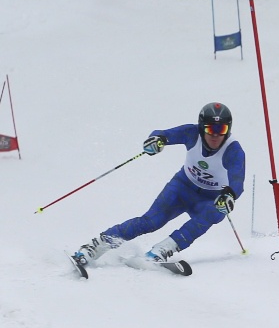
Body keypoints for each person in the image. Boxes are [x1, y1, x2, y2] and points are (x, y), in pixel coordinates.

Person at [72, 102, 245, 266]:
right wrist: (156, 140)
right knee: (151, 221)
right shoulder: (192, 133)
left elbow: (237, 181)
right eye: (210, 128)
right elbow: (163, 134)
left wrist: (229, 195)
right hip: (182, 188)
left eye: (221, 129)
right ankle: (94, 247)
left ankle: (161, 250)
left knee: (214, 213)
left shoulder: (233, 150)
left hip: (209, 197)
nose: (215, 135)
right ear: (201, 127)